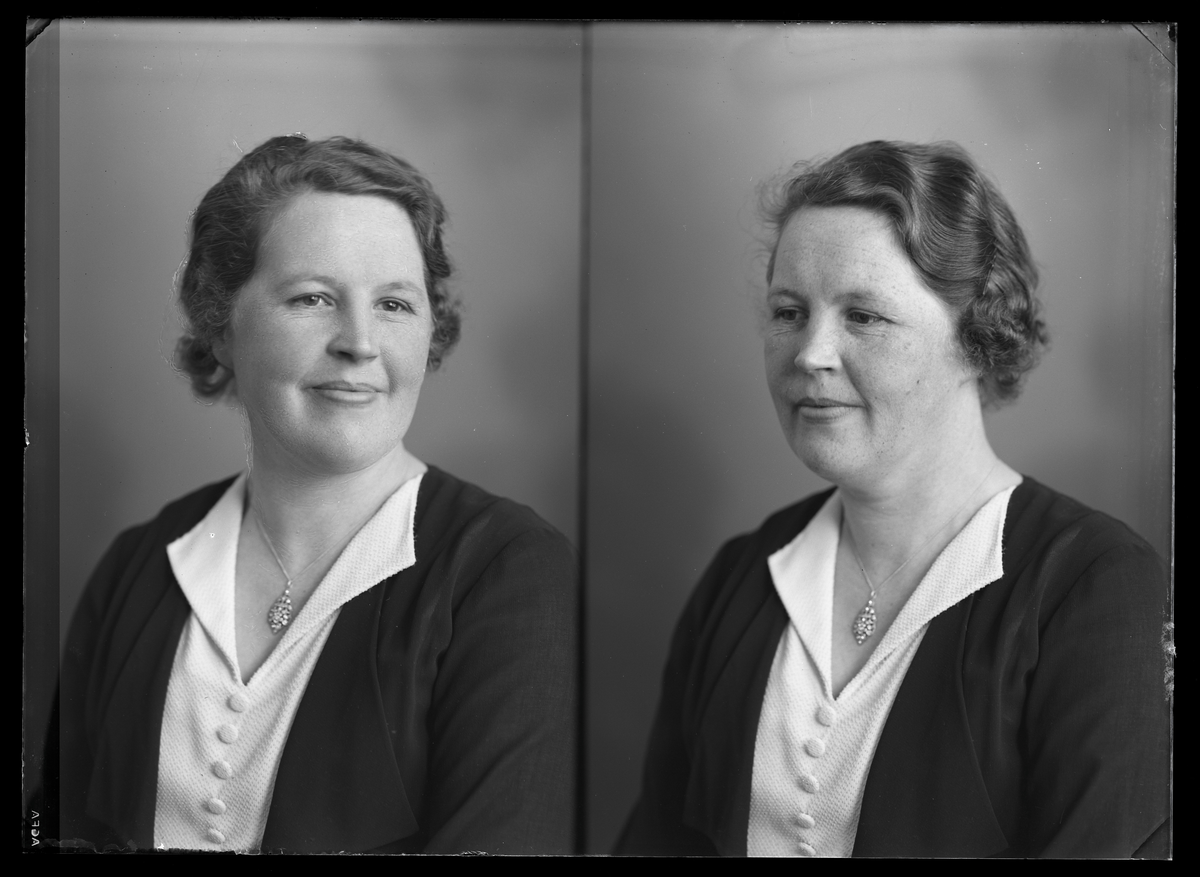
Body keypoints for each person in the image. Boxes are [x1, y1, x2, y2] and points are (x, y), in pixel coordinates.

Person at [617, 140, 1171, 858]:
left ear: (977, 338)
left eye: (864, 316)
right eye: (789, 311)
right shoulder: (740, 576)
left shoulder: (1093, 586)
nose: (810, 353)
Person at [51, 135, 579, 854]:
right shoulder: (138, 565)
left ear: (431, 329)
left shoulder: (512, 572)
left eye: (394, 303)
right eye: (313, 298)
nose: (360, 342)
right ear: (221, 325)